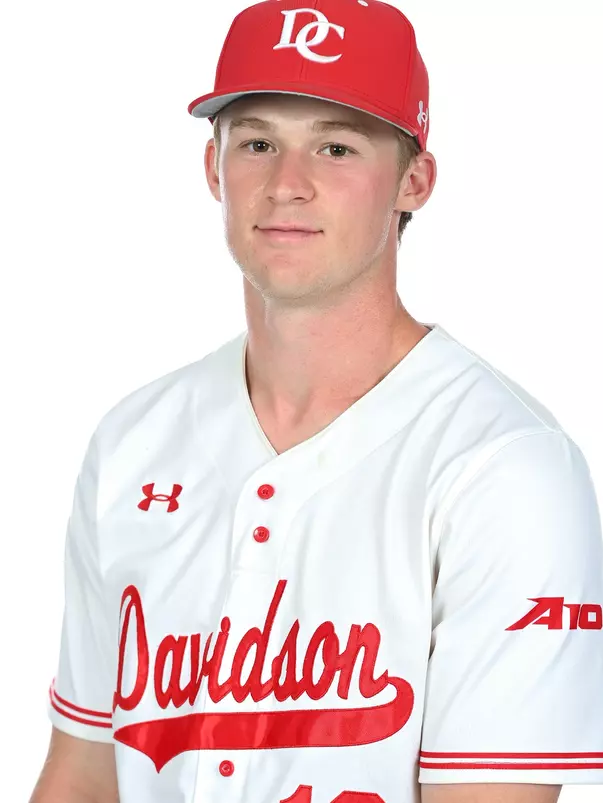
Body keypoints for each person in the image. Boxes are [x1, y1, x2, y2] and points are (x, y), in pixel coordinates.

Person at [30, 1, 603, 802]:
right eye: (257, 142)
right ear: (213, 169)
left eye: (335, 147)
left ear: (414, 181)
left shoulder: (504, 466)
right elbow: (84, 775)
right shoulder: (133, 439)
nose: (286, 185)